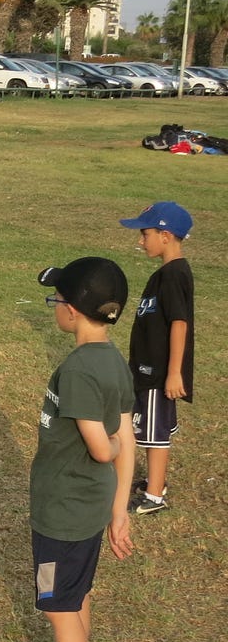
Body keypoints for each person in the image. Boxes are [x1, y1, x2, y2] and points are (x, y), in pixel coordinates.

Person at [0, 258, 134, 642]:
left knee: (59, 608)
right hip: (89, 506)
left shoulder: (78, 370)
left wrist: (113, 447)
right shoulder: (112, 360)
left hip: (65, 513)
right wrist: (119, 509)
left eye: (57, 300)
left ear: (72, 311)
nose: (55, 307)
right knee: (76, 599)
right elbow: (129, 432)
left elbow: (108, 446)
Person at [117, 201, 195, 515]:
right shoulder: (163, 274)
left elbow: (179, 322)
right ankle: (154, 480)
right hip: (147, 370)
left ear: (165, 235)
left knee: (154, 434)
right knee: (149, 430)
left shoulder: (174, 274)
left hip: (158, 372)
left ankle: (154, 496)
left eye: (144, 233)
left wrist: (174, 372)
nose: (140, 240)